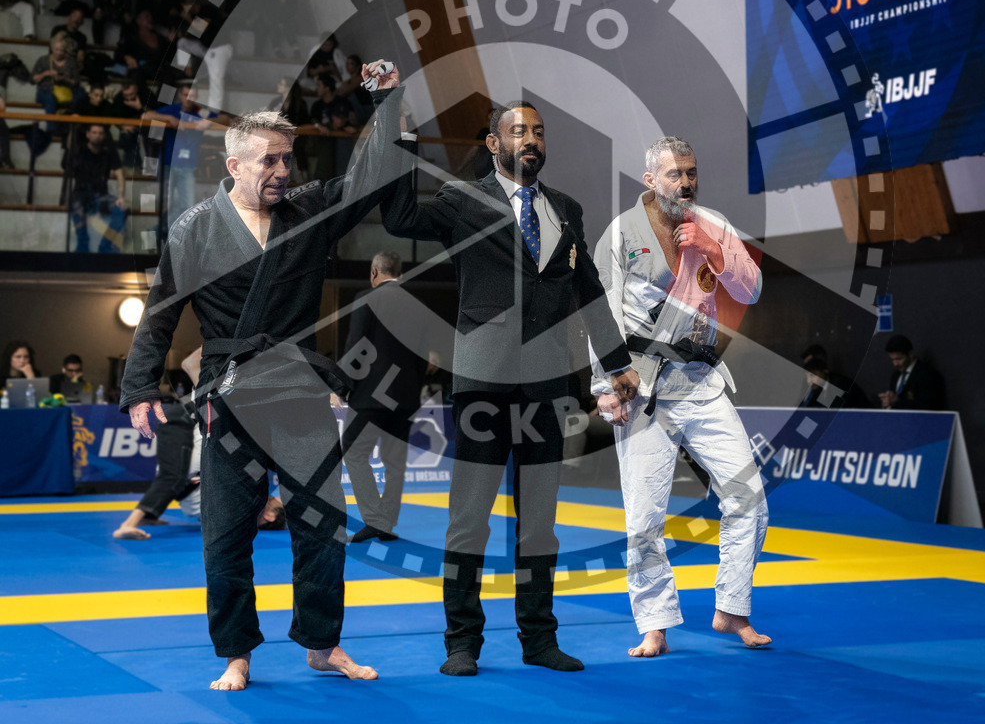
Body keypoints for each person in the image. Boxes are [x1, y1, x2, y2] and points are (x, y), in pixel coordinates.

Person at [119, 59, 404, 691]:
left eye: (288, 159)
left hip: (299, 386)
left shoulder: (308, 212)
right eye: (269, 161)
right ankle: (237, 653)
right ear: (235, 165)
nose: (282, 172)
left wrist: (387, 102)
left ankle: (322, 643)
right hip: (230, 394)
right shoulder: (194, 230)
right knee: (225, 532)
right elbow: (161, 315)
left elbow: (369, 176)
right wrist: (140, 387)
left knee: (323, 523)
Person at [383, 99, 639, 677]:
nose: (532, 140)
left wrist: (616, 361)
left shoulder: (567, 210)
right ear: (493, 144)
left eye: (539, 132)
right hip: (482, 382)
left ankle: (539, 639)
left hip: (548, 384)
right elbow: (400, 219)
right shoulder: (461, 200)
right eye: (519, 131)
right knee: (469, 517)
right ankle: (462, 642)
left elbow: (591, 291)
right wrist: (401, 145)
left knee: (540, 520)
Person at [590, 136, 770, 658]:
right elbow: (600, 314)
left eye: (690, 172)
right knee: (644, 517)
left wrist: (717, 253)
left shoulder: (713, 224)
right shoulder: (621, 232)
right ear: (650, 179)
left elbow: (752, 288)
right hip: (643, 387)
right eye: (674, 175)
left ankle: (732, 607)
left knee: (750, 499)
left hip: (702, 383)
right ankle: (654, 623)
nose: (685, 183)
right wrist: (606, 387)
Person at [341, 250, 433, 542]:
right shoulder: (418, 306)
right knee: (395, 464)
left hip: (369, 396)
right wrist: (412, 395)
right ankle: (386, 522)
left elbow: (356, 347)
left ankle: (375, 519)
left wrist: (343, 388)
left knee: (354, 452)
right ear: (399, 272)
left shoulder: (366, 299)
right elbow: (423, 360)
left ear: (374, 272)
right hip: (405, 398)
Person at [115, 347, 202, 540]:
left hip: (188, 422)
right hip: (184, 419)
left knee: (178, 475)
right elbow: (189, 364)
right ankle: (131, 523)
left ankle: (143, 518)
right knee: (175, 475)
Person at [147, 82, 219, 228]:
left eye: (192, 96)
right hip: (167, 164)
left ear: (197, 97)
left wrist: (209, 121)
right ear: (180, 95)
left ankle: (170, 237)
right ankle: (162, 234)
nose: (189, 98)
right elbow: (146, 115)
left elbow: (226, 119)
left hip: (187, 166)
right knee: (167, 204)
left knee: (187, 205)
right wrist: (168, 119)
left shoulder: (201, 112)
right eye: (186, 95)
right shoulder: (172, 110)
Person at [65, 123, 127, 253]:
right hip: (80, 195)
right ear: (87, 134)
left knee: (122, 209)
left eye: (100, 133)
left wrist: (121, 196)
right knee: (75, 205)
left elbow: (119, 174)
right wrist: (73, 127)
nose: (97, 136)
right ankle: (83, 244)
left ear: (104, 135)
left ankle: (105, 245)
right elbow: (69, 149)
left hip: (101, 197)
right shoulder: (80, 150)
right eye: (94, 132)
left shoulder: (108, 151)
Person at [878, 334, 945, 410]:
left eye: (899, 359)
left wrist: (897, 400)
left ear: (910, 354)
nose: (895, 364)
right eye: (892, 359)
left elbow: (927, 406)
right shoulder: (896, 375)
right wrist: (887, 402)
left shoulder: (927, 375)